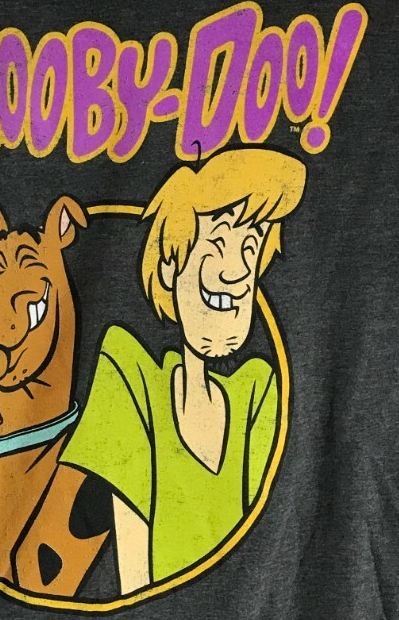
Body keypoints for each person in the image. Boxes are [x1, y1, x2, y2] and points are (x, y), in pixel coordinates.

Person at [59, 147, 305, 591]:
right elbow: (135, 583)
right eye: (218, 242)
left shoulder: (258, 392)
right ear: (171, 265)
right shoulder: (129, 377)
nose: (236, 271)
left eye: (249, 248)